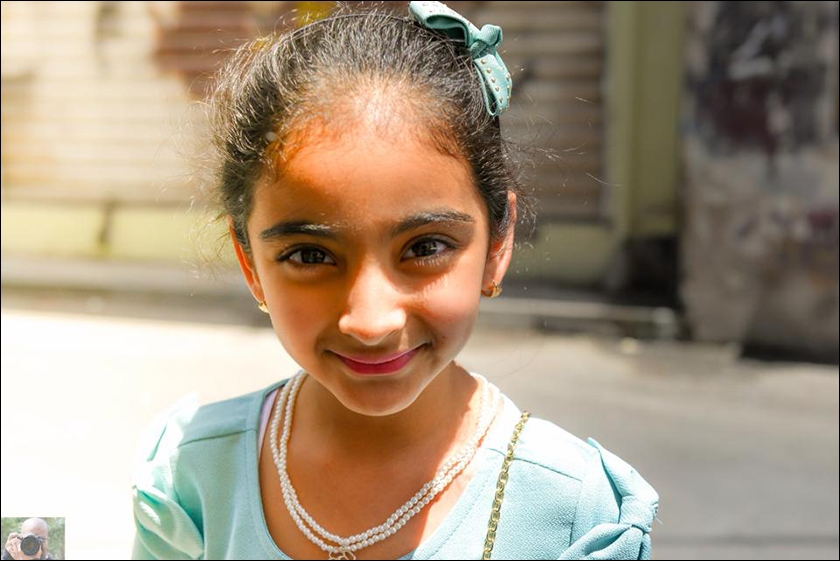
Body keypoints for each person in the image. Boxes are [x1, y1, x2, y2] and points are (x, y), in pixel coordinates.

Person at [132, 2, 659, 559]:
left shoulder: (573, 514)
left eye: (425, 248)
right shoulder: (191, 478)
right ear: (250, 265)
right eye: (310, 255)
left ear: (497, 245)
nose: (370, 322)